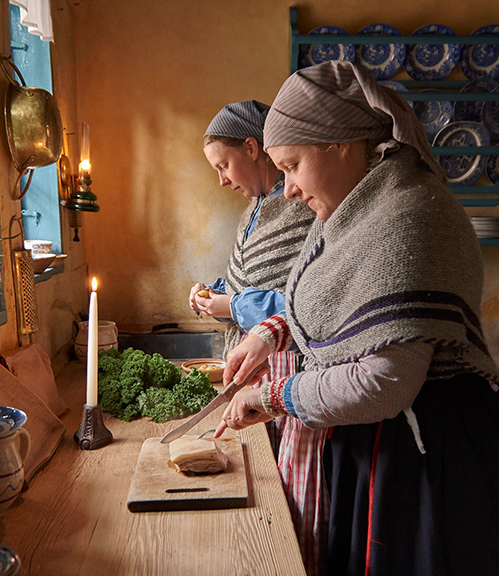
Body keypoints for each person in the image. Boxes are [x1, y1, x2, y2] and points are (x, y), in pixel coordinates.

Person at [214, 62, 499, 576]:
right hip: (378, 446)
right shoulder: (357, 212)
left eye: (293, 166)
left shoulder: (410, 216)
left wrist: (274, 397)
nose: (288, 190)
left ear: (341, 144)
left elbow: (385, 382)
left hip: (428, 460)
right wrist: (269, 333)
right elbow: (332, 307)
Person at [188, 100, 327, 576]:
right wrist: (213, 292)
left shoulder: (300, 208)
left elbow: (304, 301)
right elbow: (250, 280)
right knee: (267, 486)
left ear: (252, 148)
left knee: (293, 491)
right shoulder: (255, 210)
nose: (222, 180)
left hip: (297, 371)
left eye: (223, 165)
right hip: (258, 368)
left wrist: (233, 307)